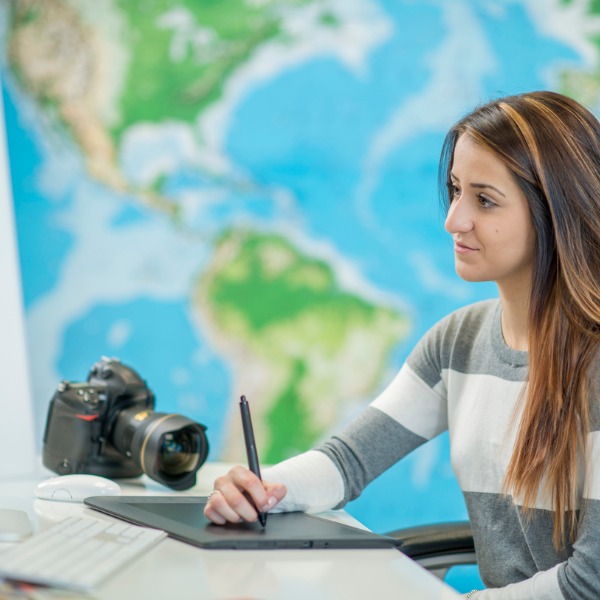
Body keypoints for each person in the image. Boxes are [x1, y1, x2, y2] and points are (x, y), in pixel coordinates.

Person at [204, 90, 600, 599]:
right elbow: (348, 462)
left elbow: (589, 581)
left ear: (555, 211)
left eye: (484, 199)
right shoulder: (459, 341)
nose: (453, 220)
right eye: (456, 190)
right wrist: (263, 492)